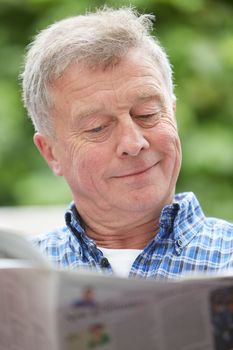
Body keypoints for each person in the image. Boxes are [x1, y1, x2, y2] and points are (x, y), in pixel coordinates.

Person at [21, 7, 233, 279]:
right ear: (51, 153)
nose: (133, 143)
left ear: (173, 115)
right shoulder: (19, 278)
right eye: (97, 127)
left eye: (148, 114)